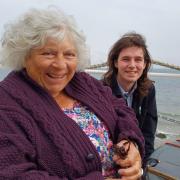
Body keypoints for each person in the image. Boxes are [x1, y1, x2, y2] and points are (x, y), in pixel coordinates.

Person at [0, 8, 144, 179]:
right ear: (24, 55)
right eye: (48, 53)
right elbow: (13, 173)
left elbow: (121, 109)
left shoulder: (82, 81)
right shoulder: (6, 104)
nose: (61, 65)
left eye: (69, 54)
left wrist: (131, 143)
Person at [102, 32, 158, 163]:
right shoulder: (102, 91)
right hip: (112, 159)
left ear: (144, 64)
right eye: (126, 59)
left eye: (138, 60)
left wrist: (144, 166)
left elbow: (148, 133)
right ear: (115, 62)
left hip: (138, 158)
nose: (132, 65)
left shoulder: (149, 90)